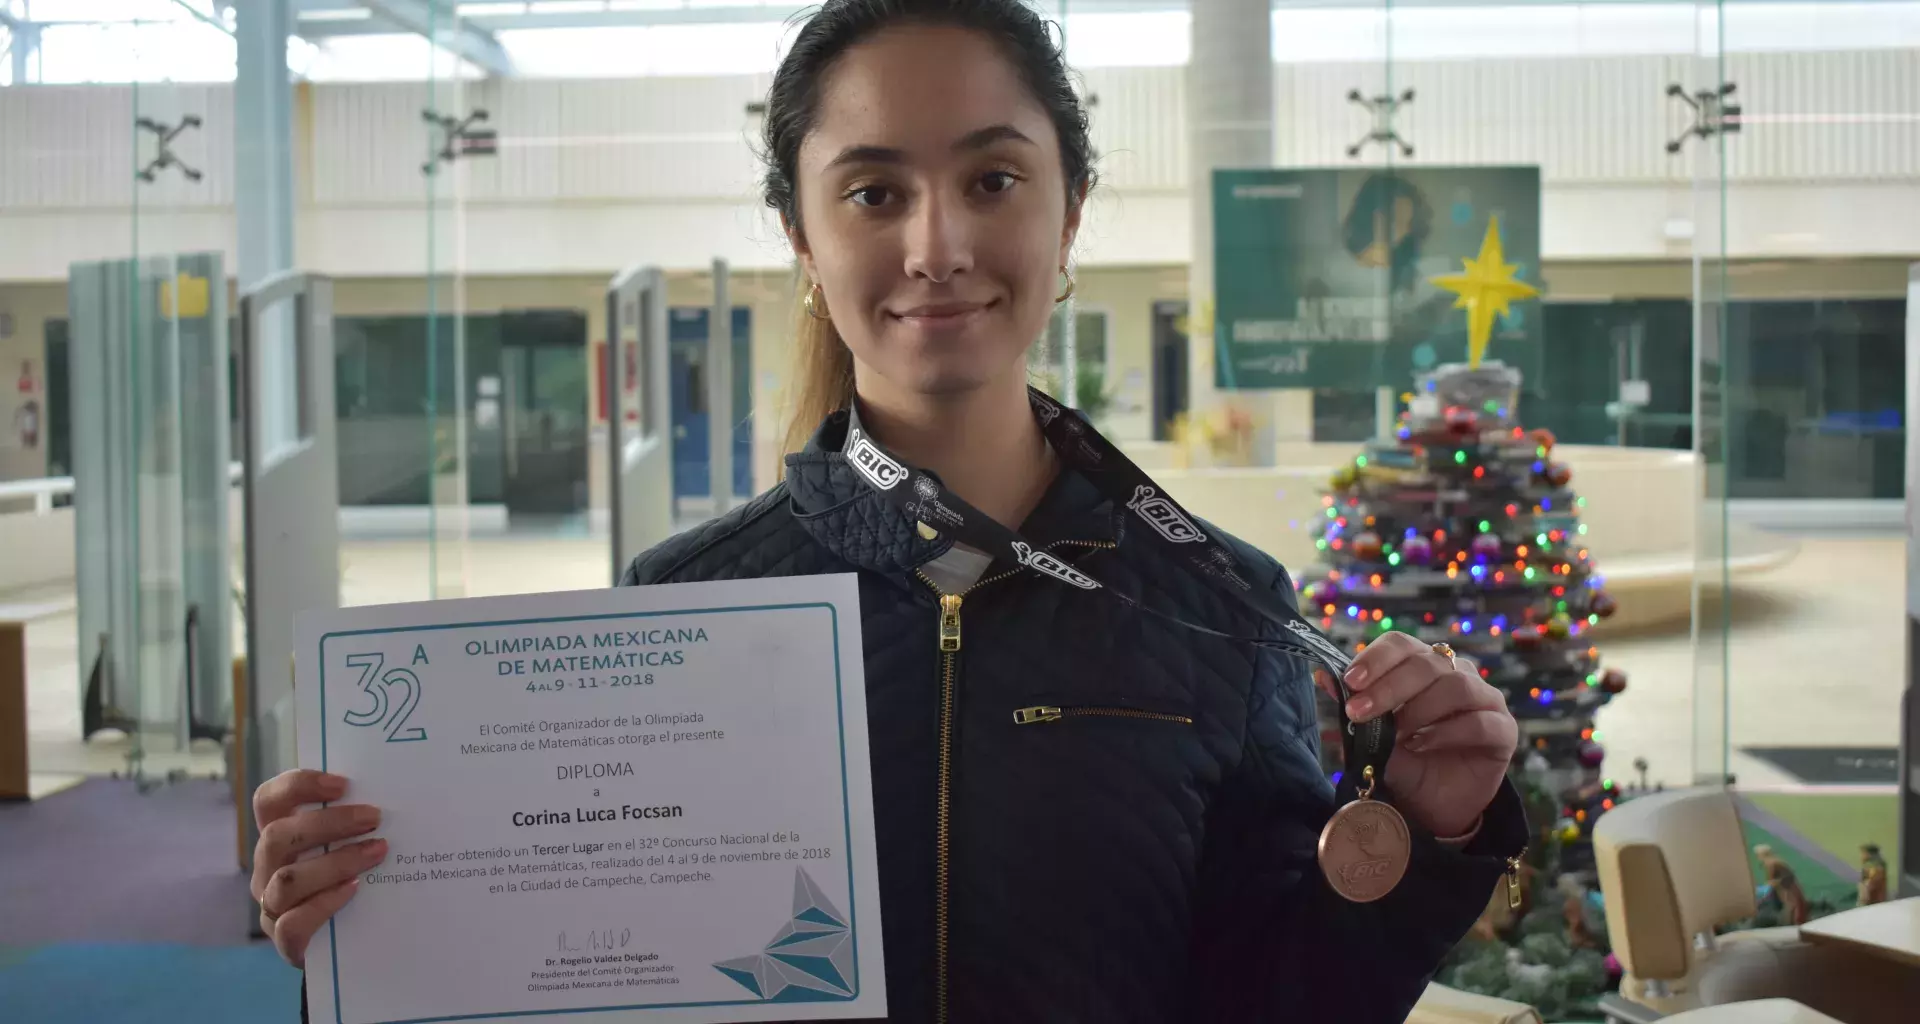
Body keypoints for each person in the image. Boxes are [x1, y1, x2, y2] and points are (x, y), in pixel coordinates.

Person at [250, 0, 1527, 1019]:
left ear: (1068, 213)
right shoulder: (683, 605)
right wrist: (382, 931)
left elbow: (1275, 996)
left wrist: (1422, 828)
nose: (935, 246)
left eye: (991, 181)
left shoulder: (1223, 607)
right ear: (803, 241)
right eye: (872, 193)